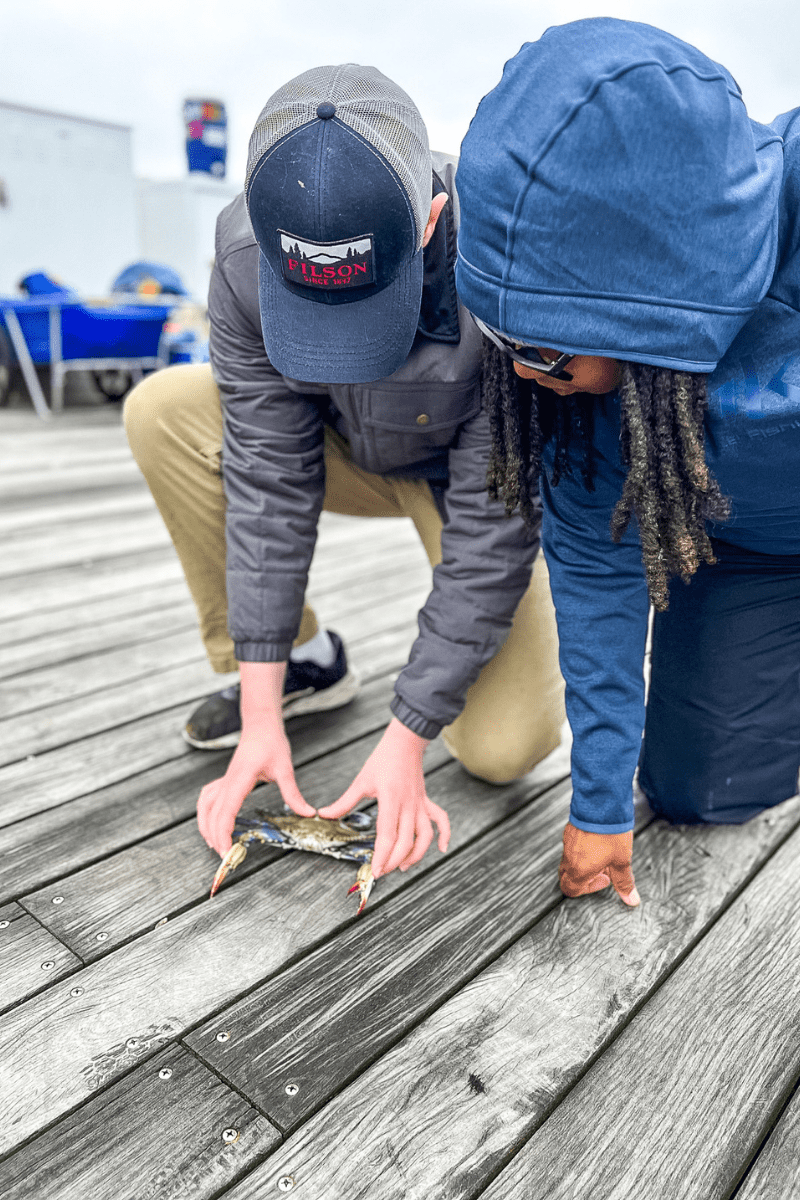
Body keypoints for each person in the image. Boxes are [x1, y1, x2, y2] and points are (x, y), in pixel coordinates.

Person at [124, 64, 565, 882]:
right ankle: (303, 663)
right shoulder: (242, 254)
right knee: (162, 409)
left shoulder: (503, 252)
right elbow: (267, 479)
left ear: (433, 219)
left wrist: (406, 736)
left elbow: (494, 528)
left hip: (461, 476)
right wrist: (259, 717)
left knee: (507, 750)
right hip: (342, 456)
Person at [455, 18, 800, 905]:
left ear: (651, 297)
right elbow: (594, 573)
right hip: (744, 548)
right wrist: (600, 809)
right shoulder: (577, 404)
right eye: (502, 342)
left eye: (540, 349)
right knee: (695, 794)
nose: (523, 375)